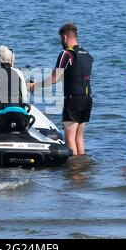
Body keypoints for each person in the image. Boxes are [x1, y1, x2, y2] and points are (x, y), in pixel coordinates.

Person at [29, 22, 93, 155]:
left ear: (65, 37)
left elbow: (54, 78)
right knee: (79, 138)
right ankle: (82, 169)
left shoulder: (67, 54)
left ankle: (74, 171)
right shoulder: (87, 54)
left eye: (61, 39)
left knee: (70, 139)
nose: (61, 43)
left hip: (73, 100)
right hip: (87, 99)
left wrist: (34, 86)